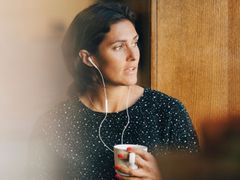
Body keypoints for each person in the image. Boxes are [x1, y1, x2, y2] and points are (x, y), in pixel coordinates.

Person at [31, 2, 199, 179]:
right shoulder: (54, 124)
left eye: (134, 43)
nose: (133, 56)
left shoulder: (168, 112)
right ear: (88, 58)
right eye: (119, 47)